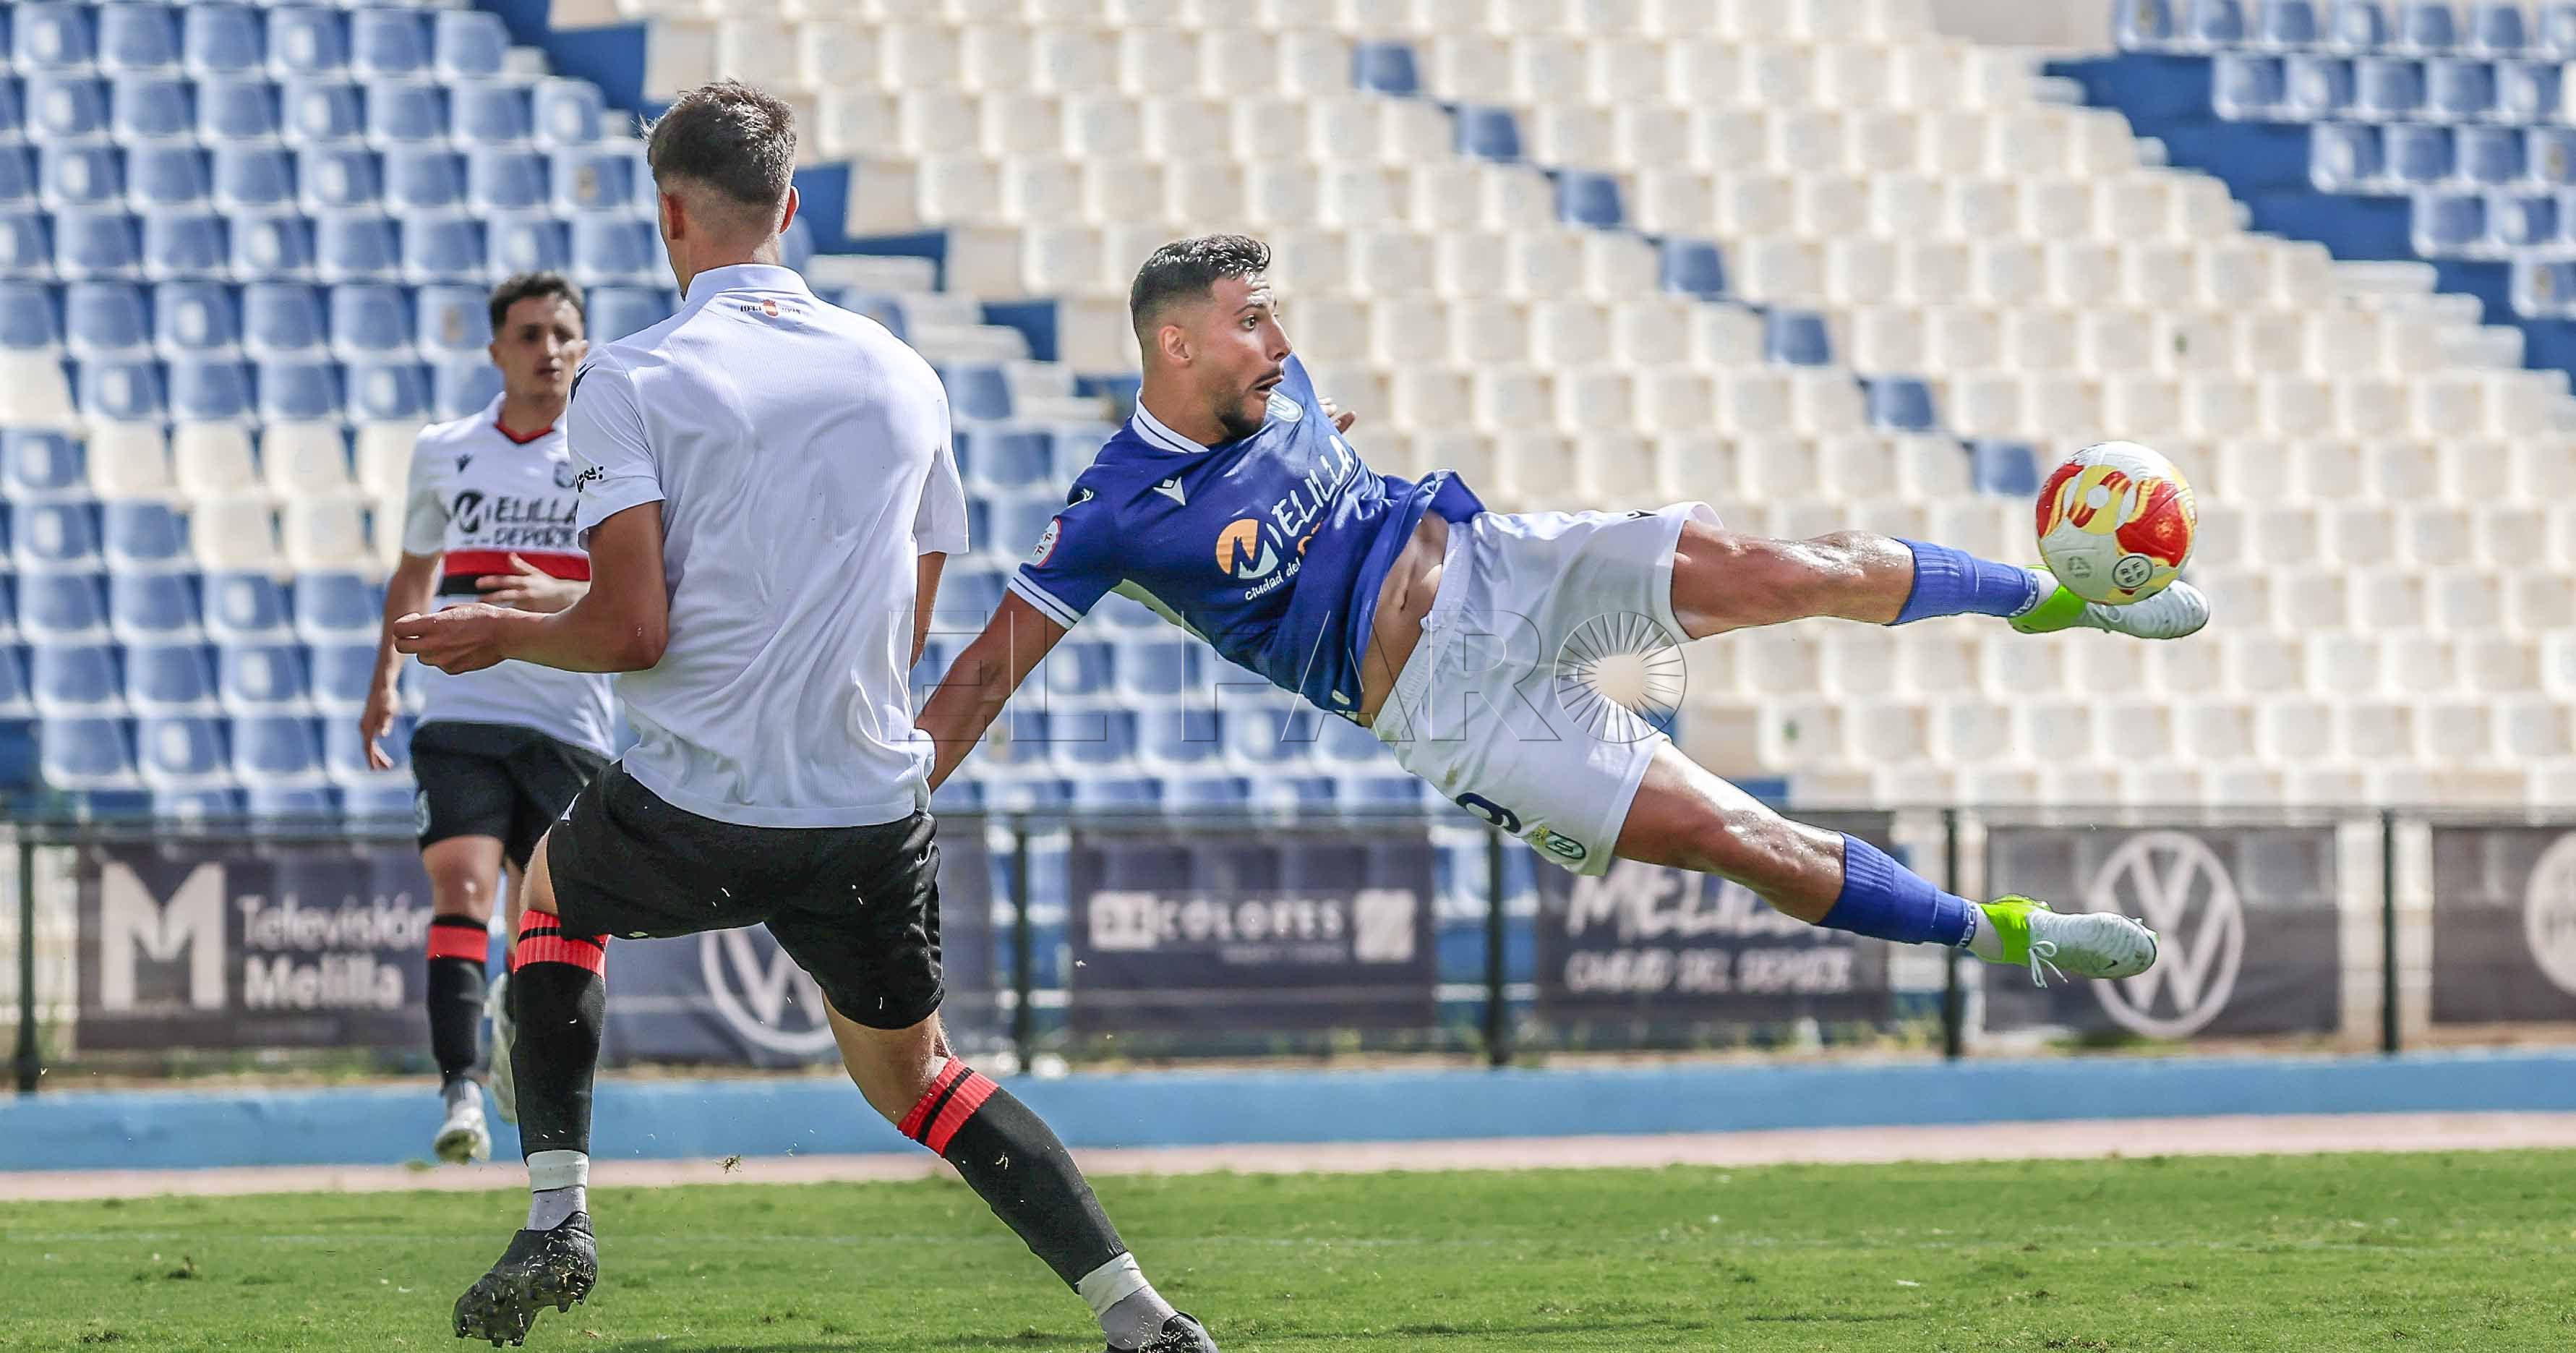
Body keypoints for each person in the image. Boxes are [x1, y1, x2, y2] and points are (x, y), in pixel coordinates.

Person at [395, 82, 1216, 1353]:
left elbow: (631, 632)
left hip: (700, 803)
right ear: (788, 206)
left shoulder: (632, 377)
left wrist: (503, 628)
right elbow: (906, 627)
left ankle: (557, 1213)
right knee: (921, 1079)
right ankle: (1141, 1315)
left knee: (552, 893)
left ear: (668, 214)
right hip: (863, 809)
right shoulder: (903, 376)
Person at [919, 234, 2201, 992]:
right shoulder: (1110, 512)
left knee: (1781, 567)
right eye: (1250, 321)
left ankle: (2056, 600)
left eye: (1275, 315)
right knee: (1746, 843)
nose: (1280, 336)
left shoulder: (1276, 384)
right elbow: (982, 675)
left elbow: (1300, 469)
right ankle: (2002, 937)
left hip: (1498, 562)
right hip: (1450, 711)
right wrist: (884, 807)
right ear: (1175, 347)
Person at [359, 272, 616, 1169]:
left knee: (546, 921)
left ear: (583, 347)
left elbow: (648, 590)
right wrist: (384, 678)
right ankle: (459, 1088)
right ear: (498, 349)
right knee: (460, 887)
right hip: (462, 710)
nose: (549, 349)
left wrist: (564, 593)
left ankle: (519, 1027)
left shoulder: (611, 452)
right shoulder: (445, 449)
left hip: (568, 718)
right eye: (531, 333)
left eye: (564, 333)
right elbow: (413, 571)